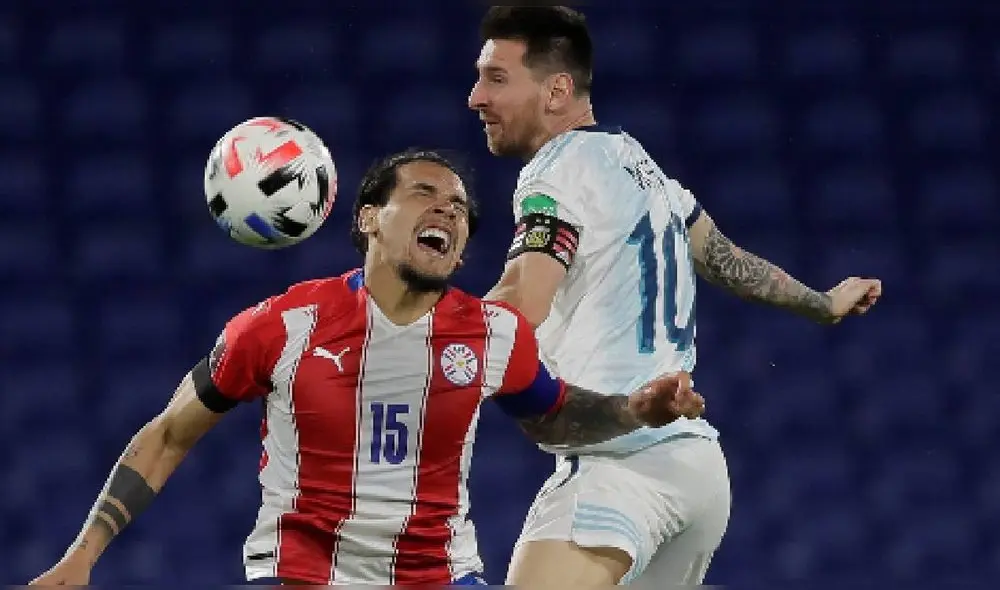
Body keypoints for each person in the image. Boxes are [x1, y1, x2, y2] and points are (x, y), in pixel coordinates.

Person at [28, 149, 706, 587]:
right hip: (301, 576)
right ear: (369, 218)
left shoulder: (492, 332)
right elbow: (171, 433)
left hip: (440, 576)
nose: (449, 208)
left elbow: (555, 411)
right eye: (424, 193)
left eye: (460, 206)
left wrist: (635, 409)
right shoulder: (280, 326)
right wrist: (83, 554)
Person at [468, 6, 883, 587]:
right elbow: (721, 256)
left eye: (496, 78)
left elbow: (521, 301)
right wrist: (821, 302)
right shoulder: (641, 168)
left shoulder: (556, 172)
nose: (475, 97)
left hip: (619, 469)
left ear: (557, 89)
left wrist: (424, 339)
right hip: (698, 474)